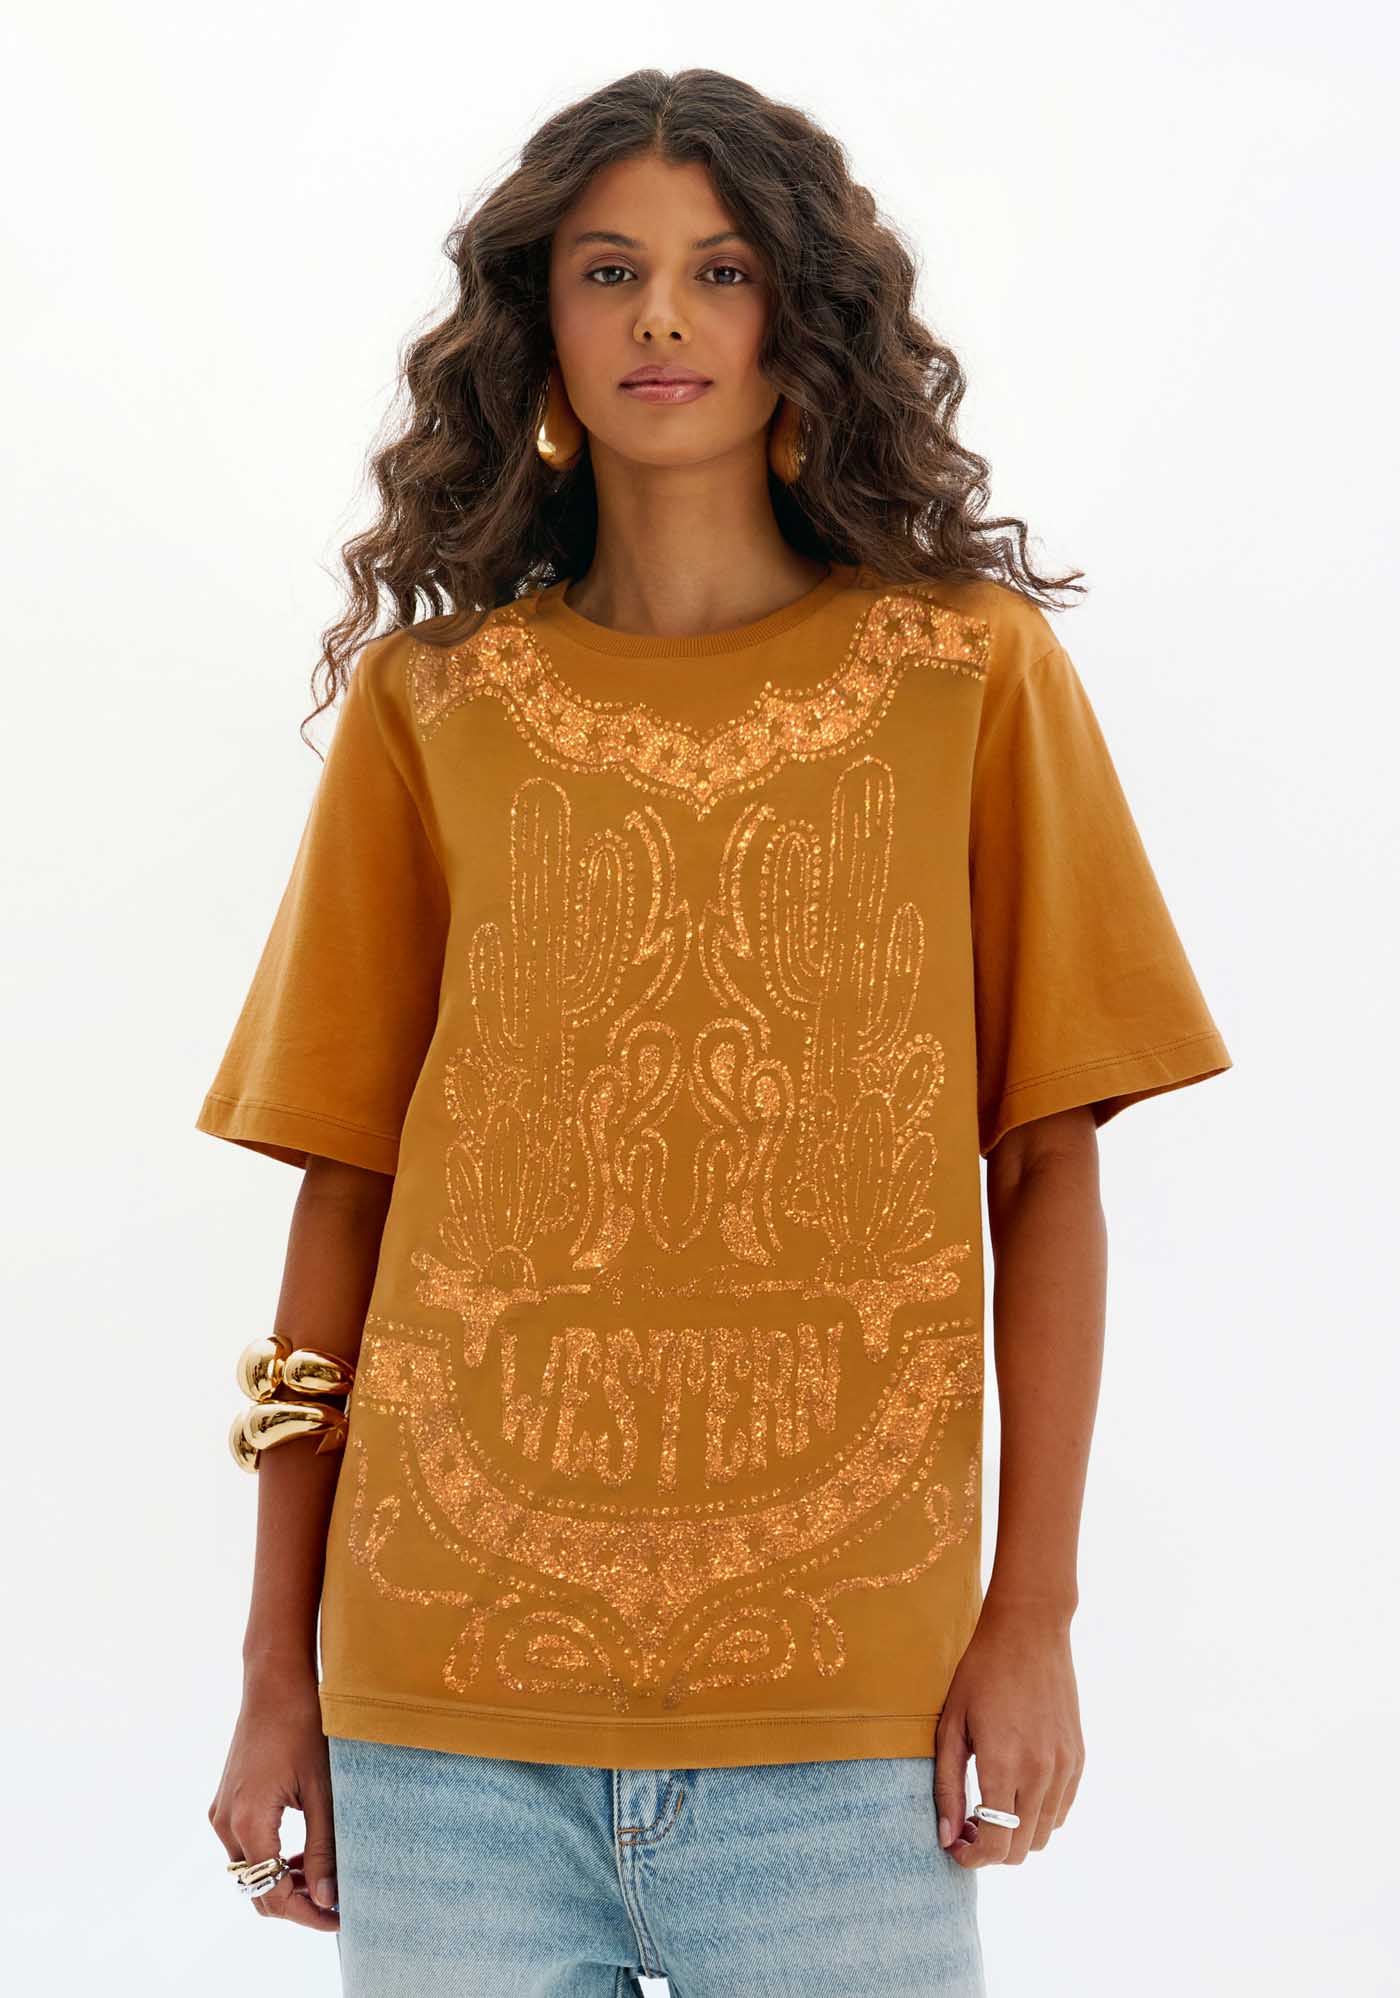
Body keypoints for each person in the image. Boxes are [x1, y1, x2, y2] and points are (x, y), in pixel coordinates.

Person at [199, 67, 1232, 1998]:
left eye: (722, 268)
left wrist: (1034, 1611)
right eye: (609, 270)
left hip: (850, 1727)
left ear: (800, 320)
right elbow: (346, 1190)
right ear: (539, 325)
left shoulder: (972, 674)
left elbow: (1046, 1165)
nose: (662, 315)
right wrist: (278, 1671)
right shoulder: (433, 705)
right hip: (441, 1714)